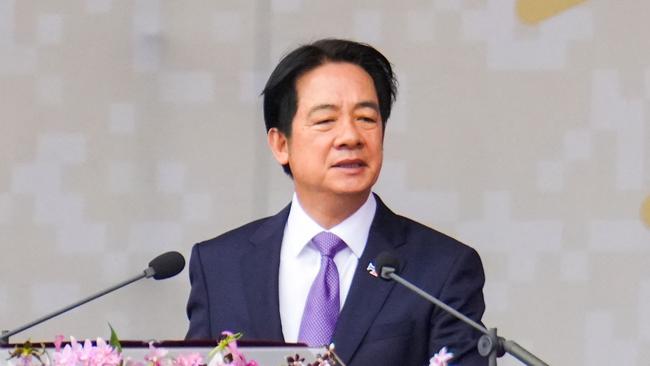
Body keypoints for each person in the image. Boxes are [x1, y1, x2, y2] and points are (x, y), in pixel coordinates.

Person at [186, 38, 487, 365]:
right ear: (280, 144)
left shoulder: (440, 269)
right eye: (326, 120)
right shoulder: (220, 266)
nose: (350, 137)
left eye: (366, 119)